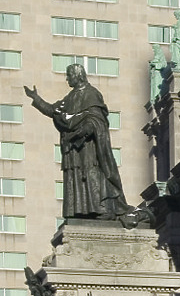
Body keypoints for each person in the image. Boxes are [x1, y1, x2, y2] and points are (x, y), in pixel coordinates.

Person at [24, 64, 131, 221]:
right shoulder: (70, 97)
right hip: (73, 148)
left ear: (78, 76)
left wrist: (82, 131)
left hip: (88, 147)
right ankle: (80, 211)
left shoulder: (92, 94)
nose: (67, 79)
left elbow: (97, 119)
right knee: (75, 177)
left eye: (69, 76)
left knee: (92, 174)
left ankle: (101, 208)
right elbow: (54, 111)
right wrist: (36, 99)